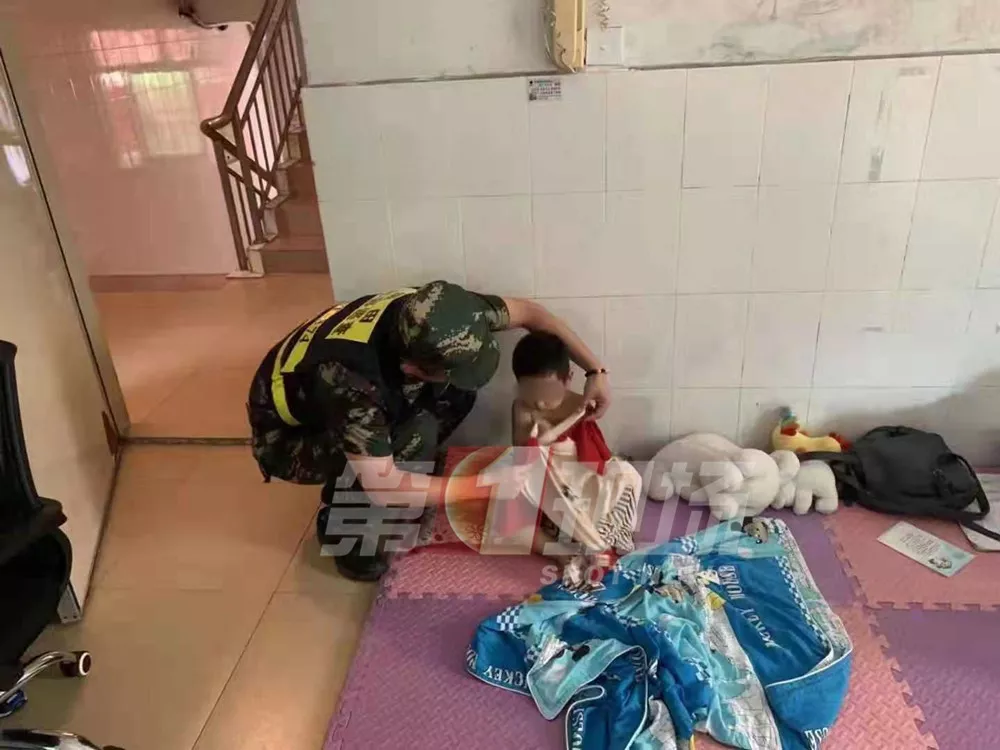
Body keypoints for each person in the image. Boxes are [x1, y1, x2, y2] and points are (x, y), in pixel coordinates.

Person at [247, 280, 611, 581]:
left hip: (348, 402)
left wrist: (595, 371)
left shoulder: (447, 315)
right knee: (402, 459)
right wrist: (484, 486)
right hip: (292, 436)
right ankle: (346, 521)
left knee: (456, 394)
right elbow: (384, 485)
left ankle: (403, 469)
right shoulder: (351, 382)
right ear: (413, 369)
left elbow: (532, 314)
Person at [509, 331, 640, 588]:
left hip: (578, 482)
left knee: (627, 476)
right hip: (540, 481)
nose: (539, 401)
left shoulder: (581, 404)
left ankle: (591, 538)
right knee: (509, 521)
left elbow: (594, 455)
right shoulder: (522, 408)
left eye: (548, 391)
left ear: (567, 380)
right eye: (529, 391)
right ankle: (562, 553)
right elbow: (525, 454)